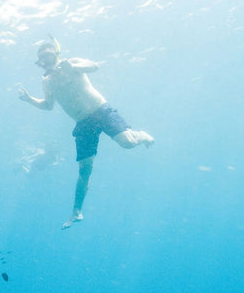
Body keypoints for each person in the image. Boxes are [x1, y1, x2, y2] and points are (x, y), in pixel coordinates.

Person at [19, 38, 154, 228]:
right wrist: (29, 99)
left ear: (56, 54)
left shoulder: (71, 64)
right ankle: (76, 212)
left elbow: (94, 66)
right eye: (42, 59)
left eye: (48, 56)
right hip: (83, 124)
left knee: (128, 143)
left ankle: (141, 135)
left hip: (101, 111)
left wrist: (76, 65)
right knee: (84, 170)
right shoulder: (47, 83)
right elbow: (48, 106)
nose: (46, 62)